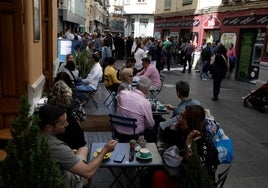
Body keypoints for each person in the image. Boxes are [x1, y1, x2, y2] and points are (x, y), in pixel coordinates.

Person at [37, 104, 117, 188]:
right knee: (87, 161)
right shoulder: (56, 147)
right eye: (63, 123)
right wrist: (105, 149)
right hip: (63, 181)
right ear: (49, 127)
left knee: (83, 149)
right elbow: (87, 172)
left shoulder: (35, 135)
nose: (67, 124)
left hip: (47, 174)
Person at [152, 105, 219, 188]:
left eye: (183, 117)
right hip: (182, 172)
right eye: (180, 115)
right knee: (155, 172)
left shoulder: (202, 142)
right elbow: (166, 136)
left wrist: (188, 142)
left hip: (194, 181)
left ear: (192, 121)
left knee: (158, 176)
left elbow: (193, 169)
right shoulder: (185, 131)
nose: (180, 119)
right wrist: (176, 125)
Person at [48, 80, 86, 149]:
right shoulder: (69, 112)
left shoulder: (49, 111)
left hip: (56, 145)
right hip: (72, 146)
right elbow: (83, 118)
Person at [116, 76, 155, 142]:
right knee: (153, 130)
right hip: (134, 135)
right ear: (146, 90)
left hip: (118, 132)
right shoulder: (145, 103)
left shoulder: (122, 93)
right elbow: (150, 125)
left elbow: (118, 103)